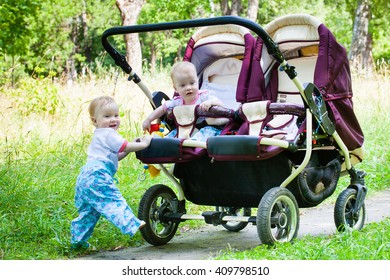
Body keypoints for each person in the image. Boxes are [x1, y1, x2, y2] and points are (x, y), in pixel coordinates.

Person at [70, 96, 152, 250]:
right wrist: (144, 144)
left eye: (116, 115)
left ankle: (77, 242)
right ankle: (131, 223)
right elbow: (125, 146)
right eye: (107, 116)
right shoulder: (108, 133)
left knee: (88, 213)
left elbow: (116, 154)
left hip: (86, 176)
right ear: (95, 121)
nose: (113, 119)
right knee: (112, 200)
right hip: (98, 175)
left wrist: (132, 145)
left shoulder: (99, 134)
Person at [142, 61, 227, 141]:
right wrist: (148, 120)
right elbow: (162, 109)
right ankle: (168, 145)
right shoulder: (177, 101)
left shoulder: (205, 96)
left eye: (192, 83)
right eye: (183, 85)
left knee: (208, 132)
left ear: (197, 82)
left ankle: (192, 143)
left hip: (205, 126)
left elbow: (220, 103)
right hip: (184, 128)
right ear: (175, 89)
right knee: (172, 135)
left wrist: (210, 103)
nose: (188, 88)